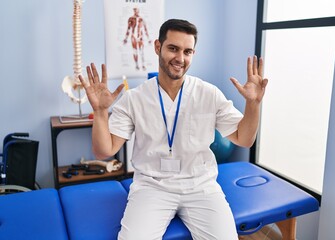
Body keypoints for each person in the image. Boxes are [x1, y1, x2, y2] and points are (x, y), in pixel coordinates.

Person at [79, 19, 268, 240]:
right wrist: (100, 111)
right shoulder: (134, 99)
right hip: (152, 187)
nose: (180, 58)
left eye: (187, 51)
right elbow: (104, 151)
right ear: (158, 47)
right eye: (173, 48)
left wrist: (253, 105)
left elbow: (244, 140)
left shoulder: (209, 94)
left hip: (201, 186)